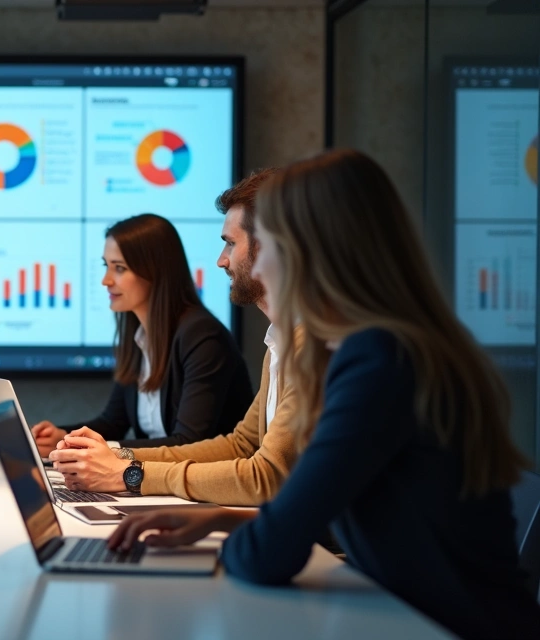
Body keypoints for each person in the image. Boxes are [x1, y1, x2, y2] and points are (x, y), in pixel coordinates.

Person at [107, 149, 540, 639]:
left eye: (264, 245)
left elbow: (271, 555)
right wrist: (225, 521)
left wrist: (243, 530)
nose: (239, 263)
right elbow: (330, 505)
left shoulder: (377, 359)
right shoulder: (391, 344)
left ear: (304, 250)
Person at [50, 170, 301, 505]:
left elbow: (266, 476)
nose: (221, 260)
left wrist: (128, 472)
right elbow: (241, 445)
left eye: (229, 242)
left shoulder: (306, 346)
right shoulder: (278, 342)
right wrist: (98, 451)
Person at [30, 214, 253, 477]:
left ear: (154, 272)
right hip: (159, 484)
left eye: (119, 268)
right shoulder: (137, 333)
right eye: (106, 266)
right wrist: (64, 438)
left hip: (205, 488)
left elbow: (189, 443)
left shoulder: (203, 338)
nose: (106, 280)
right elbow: (113, 422)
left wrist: (103, 452)